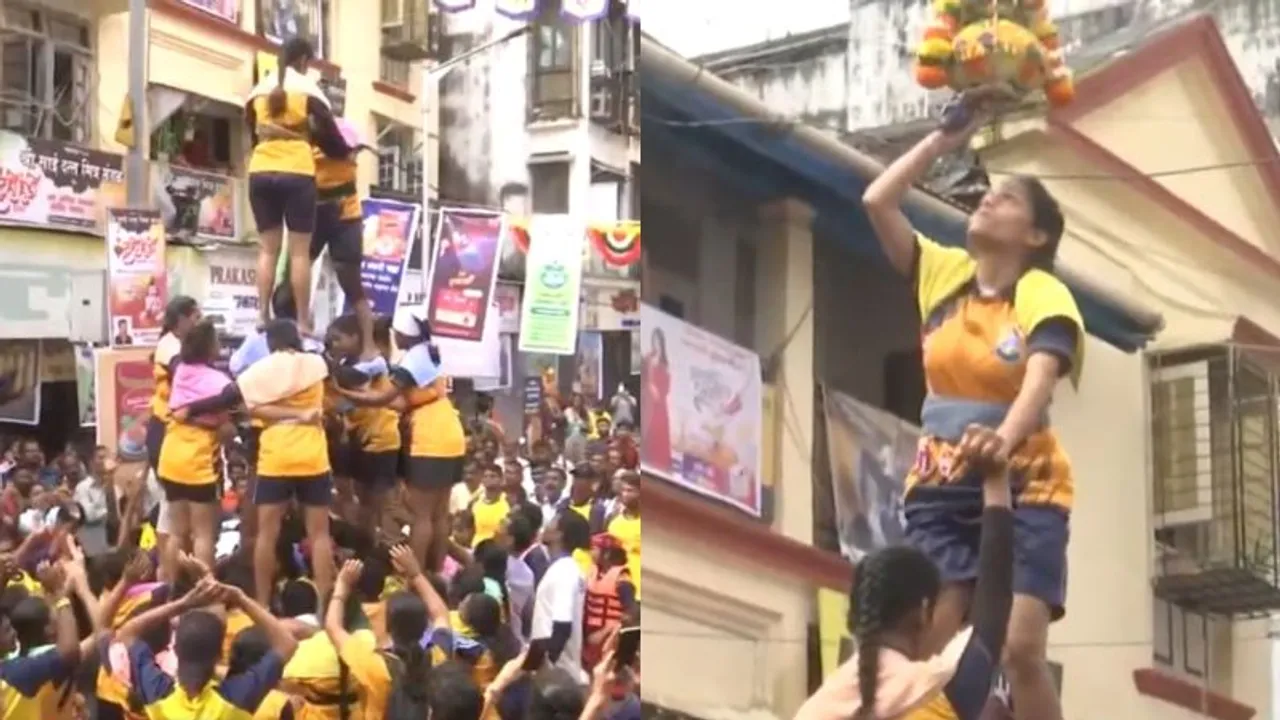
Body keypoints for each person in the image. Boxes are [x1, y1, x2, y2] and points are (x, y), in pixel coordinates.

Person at [861, 94, 1081, 720]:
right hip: (939, 482)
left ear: (1035, 236)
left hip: (1028, 484)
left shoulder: (1041, 291)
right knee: (930, 647)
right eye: (989, 194)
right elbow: (878, 200)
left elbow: (1040, 376)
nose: (989, 199)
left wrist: (1003, 442)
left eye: (1008, 199)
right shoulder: (943, 272)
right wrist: (941, 140)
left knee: (1019, 649)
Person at [794, 456, 1014, 720]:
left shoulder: (814, 710)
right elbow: (993, 611)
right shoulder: (935, 692)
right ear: (923, 612)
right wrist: (997, 479)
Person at [179, 319, 334, 605]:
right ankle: (328, 605)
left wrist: (191, 409)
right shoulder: (316, 364)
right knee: (320, 535)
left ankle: (261, 603)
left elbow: (226, 398)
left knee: (266, 534)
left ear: (270, 343)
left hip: (275, 458)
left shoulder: (259, 372)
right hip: (313, 455)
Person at [337, 306, 465, 572]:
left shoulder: (411, 361)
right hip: (450, 432)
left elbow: (382, 399)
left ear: (403, 334)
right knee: (439, 514)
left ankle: (414, 575)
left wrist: (344, 394)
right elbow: (402, 401)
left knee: (422, 516)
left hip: (429, 437)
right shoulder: (430, 351)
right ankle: (435, 570)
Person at [244, 37, 348, 337]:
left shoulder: (258, 90)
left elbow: (252, 132)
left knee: (267, 249)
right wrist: (343, 153)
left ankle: (263, 316)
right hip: (297, 172)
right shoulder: (309, 90)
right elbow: (330, 134)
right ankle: (303, 321)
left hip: (261, 171)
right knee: (299, 253)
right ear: (303, 60)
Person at [116, 575, 300, 718]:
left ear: (176, 650)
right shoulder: (237, 697)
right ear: (220, 655)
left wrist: (182, 604)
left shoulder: (158, 693)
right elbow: (287, 643)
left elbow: (127, 632)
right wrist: (240, 598)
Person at [159, 318, 231, 576]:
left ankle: (169, 587)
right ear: (210, 346)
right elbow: (224, 424)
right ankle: (205, 586)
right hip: (198, 461)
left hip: (171, 456)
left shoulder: (181, 372)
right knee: (203, 533)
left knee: (177, 531)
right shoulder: (219, 381)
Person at [327, 315, 403, 540]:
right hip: (360, 442)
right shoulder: (343, 364)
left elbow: (353, 378)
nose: (335, 345)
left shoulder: (375, 362)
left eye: (338, 339)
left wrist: (325, 366)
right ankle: (367, 547)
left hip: (383, 441)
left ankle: (394, 553)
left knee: (386, 505)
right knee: (366, 504)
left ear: (355, 337)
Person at [527, 510, 590, 685]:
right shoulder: (563, 568)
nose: (546, 526)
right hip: (557, 673)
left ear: (559, 534)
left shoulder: (565, 571)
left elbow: (562, 625)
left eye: (552, 522)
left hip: (558, 678)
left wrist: (548, 665)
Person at [606, 471, 640, 600]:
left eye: (630, 490)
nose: (625, 494)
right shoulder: (615, 524)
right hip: (618, 589)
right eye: (623, 490)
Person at [640, 328, 671, 471]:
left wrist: (658, 390)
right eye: (654, 341)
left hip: (661, 406)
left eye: (658, 341)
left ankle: (662, 465)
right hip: (650, 404)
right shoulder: (648, 360)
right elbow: (645, 381)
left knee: (661, 433)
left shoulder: (665, 364)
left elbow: (666, 386)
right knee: (649, 432)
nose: (656, 344)